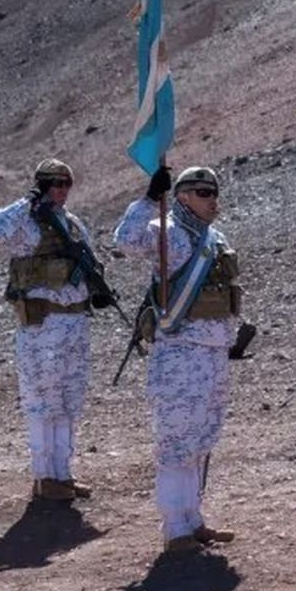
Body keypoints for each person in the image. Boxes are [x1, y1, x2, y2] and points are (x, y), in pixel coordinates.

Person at [113, 166, 241, 553]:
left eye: (214, 191)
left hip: (214, 352)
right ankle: (174, 528)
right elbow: (126, 240)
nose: (212, 198)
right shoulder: (168, 231)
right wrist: (150, 199)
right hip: (181, 354)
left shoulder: (213, 238)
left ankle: (193, 518)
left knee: (202, 438)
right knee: (176, 440)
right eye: (202, 191)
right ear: (182, 196)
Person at [0, 158, 98, 501]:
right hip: (42, 325)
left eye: (65, 183)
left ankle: (62, 474)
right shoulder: (26, 224)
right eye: (52, 183)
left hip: (74, 322)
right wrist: (28, 202)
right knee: (42, 401)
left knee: (68, 399)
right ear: (40, 185)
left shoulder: (73, 224)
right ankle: (43, 476)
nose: (60, 189)